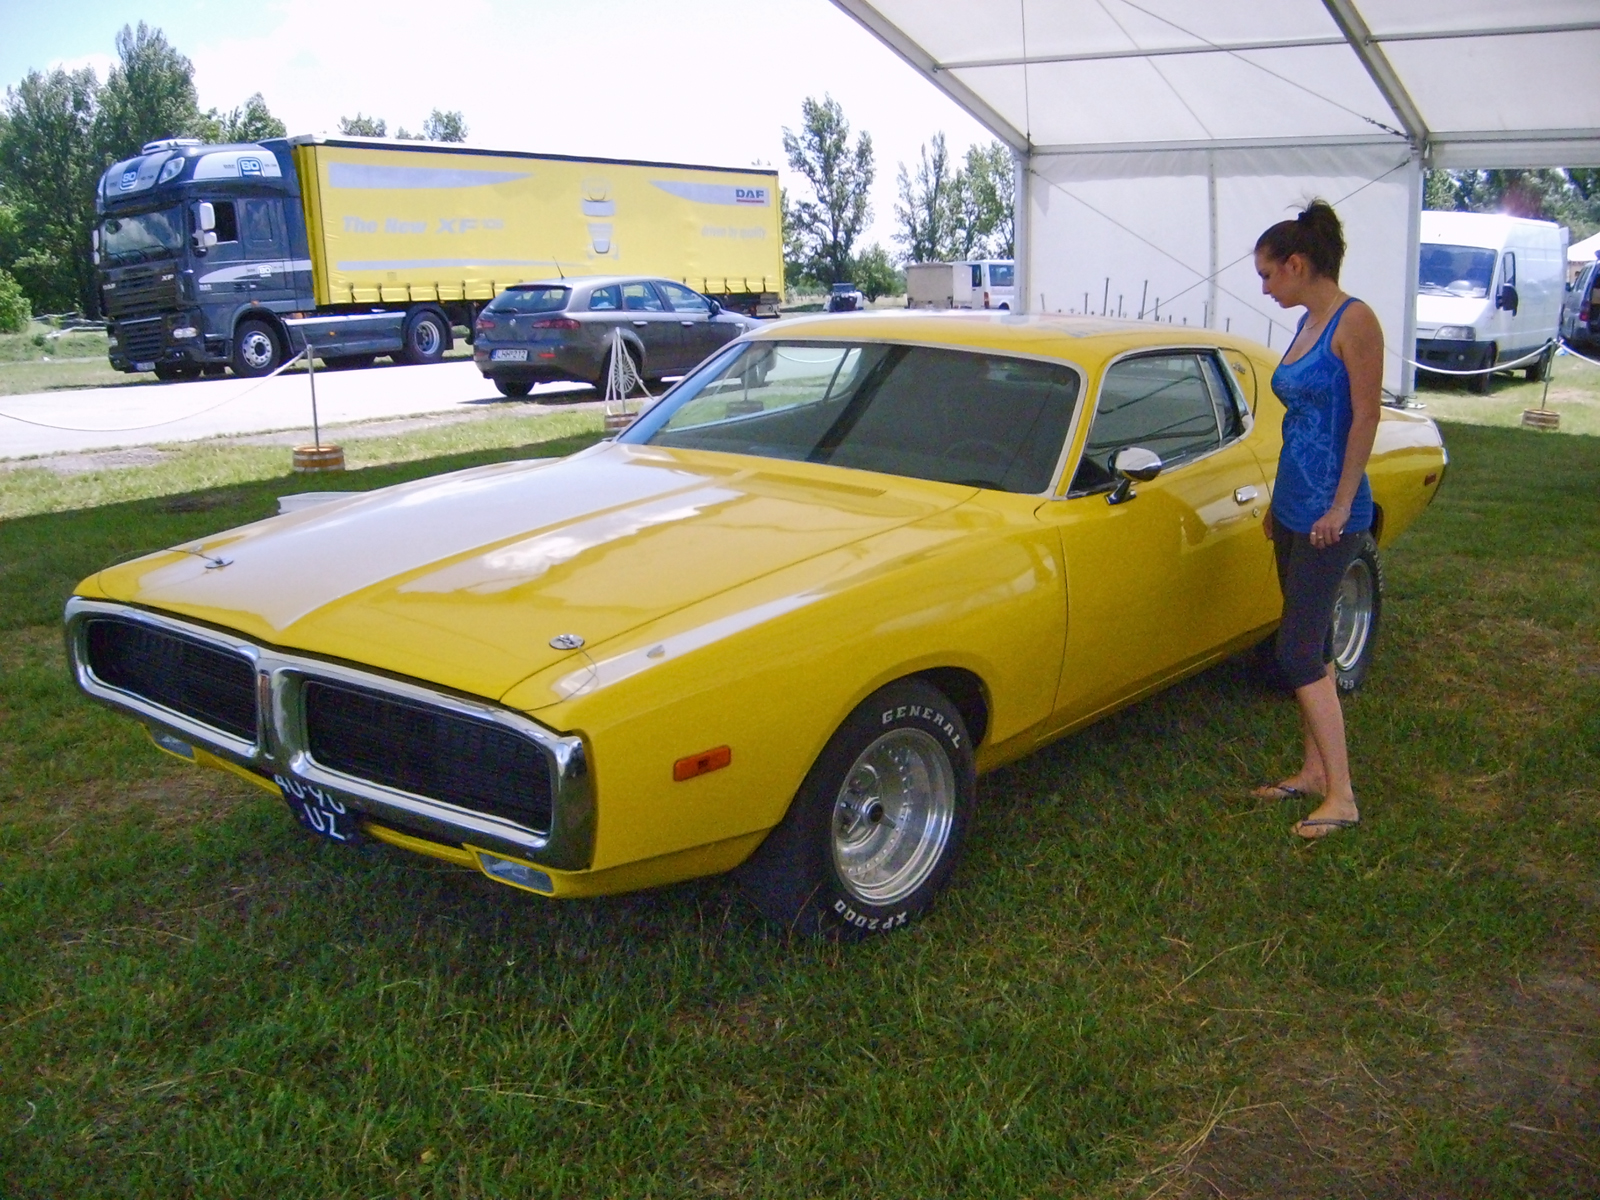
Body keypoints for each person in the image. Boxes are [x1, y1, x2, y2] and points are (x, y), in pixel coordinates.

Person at [1250, 200, 1383, 839]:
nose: (1266, 289)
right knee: (1315, 644)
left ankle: (1344, 795)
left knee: (1297, 650)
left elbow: (1365, 418)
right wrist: (1282, 505)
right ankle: (1311, 771)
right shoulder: (1308, 322)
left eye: (1269, 276)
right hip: (1296, 507)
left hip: (1334, 512)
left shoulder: (1356, 323)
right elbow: (1299, 423)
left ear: (1298, 264)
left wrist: (1339, 503)